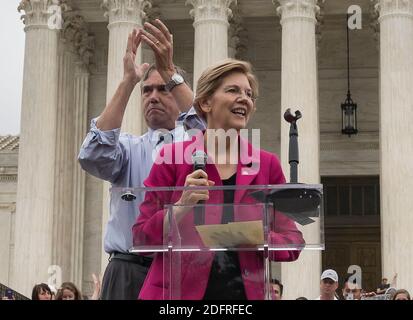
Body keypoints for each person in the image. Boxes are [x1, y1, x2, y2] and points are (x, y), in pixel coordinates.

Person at [133, 59, 304, 300]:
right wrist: (180, 207)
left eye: (249, 94)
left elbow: (293, 243)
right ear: (205, 102)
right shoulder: (170, 157)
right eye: (233, 90)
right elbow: (141, 237)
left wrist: (253, 235)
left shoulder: (267, 165)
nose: (244, 98)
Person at [78, 19, 194, 300]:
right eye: (147, 90)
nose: (152, 97)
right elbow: (92, 155)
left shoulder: (198, 148)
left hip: (183, 269)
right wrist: (129, 81)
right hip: (127, 271)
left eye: (163, 89)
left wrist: (170, 71)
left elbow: (216, 130)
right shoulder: (129, 150)